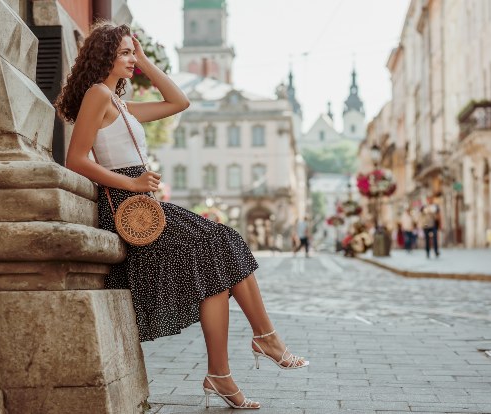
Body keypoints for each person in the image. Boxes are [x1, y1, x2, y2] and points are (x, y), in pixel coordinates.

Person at [54, 22, 307, 410]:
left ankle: (230, 366)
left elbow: (179, 101)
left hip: (142, 201)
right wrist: (135, 185)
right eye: (123, 53)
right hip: (126, 206)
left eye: (131, 52)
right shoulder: (97, 94)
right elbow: (76, 158)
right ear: (104, 56)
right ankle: (260, 343)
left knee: (221, 255)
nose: (130, 59)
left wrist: (145, 62)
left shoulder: (119, 103)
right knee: (221, 246)